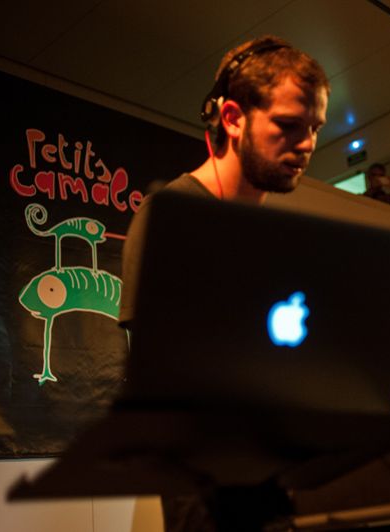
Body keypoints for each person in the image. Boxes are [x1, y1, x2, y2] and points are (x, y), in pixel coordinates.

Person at [118, 35, 329, 531]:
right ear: (233, 118)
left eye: (315, 128)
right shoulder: (172, 217)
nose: (307, 145)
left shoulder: (266, 239)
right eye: (288, 125)